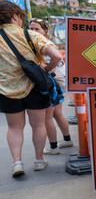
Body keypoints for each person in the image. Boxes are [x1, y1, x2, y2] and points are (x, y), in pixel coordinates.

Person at [0, 1, 63, 177]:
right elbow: (57, 56)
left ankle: (17, 162)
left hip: (7, 90)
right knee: (38, 125)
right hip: (35, 87)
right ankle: (39, 160)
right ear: (14, 16)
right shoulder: (30, 35)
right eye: (20, 17)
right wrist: (47, 70)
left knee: (14, 128)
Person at [29, 18, 73, 155]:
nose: (33, 31)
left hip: (51, 83)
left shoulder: (42, 45)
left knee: (47, 117)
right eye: (31, 29)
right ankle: (67, 140)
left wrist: (46, 70)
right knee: (57, 114)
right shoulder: (48, 43)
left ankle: (53, 147)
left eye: (37, 29)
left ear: (45, 31)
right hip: (58, 82)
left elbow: (56, 59)